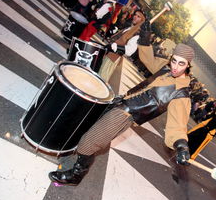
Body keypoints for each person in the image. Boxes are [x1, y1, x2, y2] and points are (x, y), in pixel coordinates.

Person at [49, 42, 195, 186]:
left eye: (181, 64)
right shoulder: (166, 68)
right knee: (89, 126)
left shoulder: (181, 93)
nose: (175, 67)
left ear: (188, 65)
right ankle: (74, 155)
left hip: (125, 115)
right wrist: (145, 37)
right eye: (174, 61)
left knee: (89, 141)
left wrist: (181, 145)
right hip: (121, 101)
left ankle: (76, 175)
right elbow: (149, 60)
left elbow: (177, 124)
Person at [98, 9, 145, 82]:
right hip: (108, 54)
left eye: (138, 16)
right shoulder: (130, 28)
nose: (135, 17)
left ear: (142, 21)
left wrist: (114, 47)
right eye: (135, 15)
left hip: (113, 58)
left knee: (100, 79)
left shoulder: (137, 34)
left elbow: (129, 50)